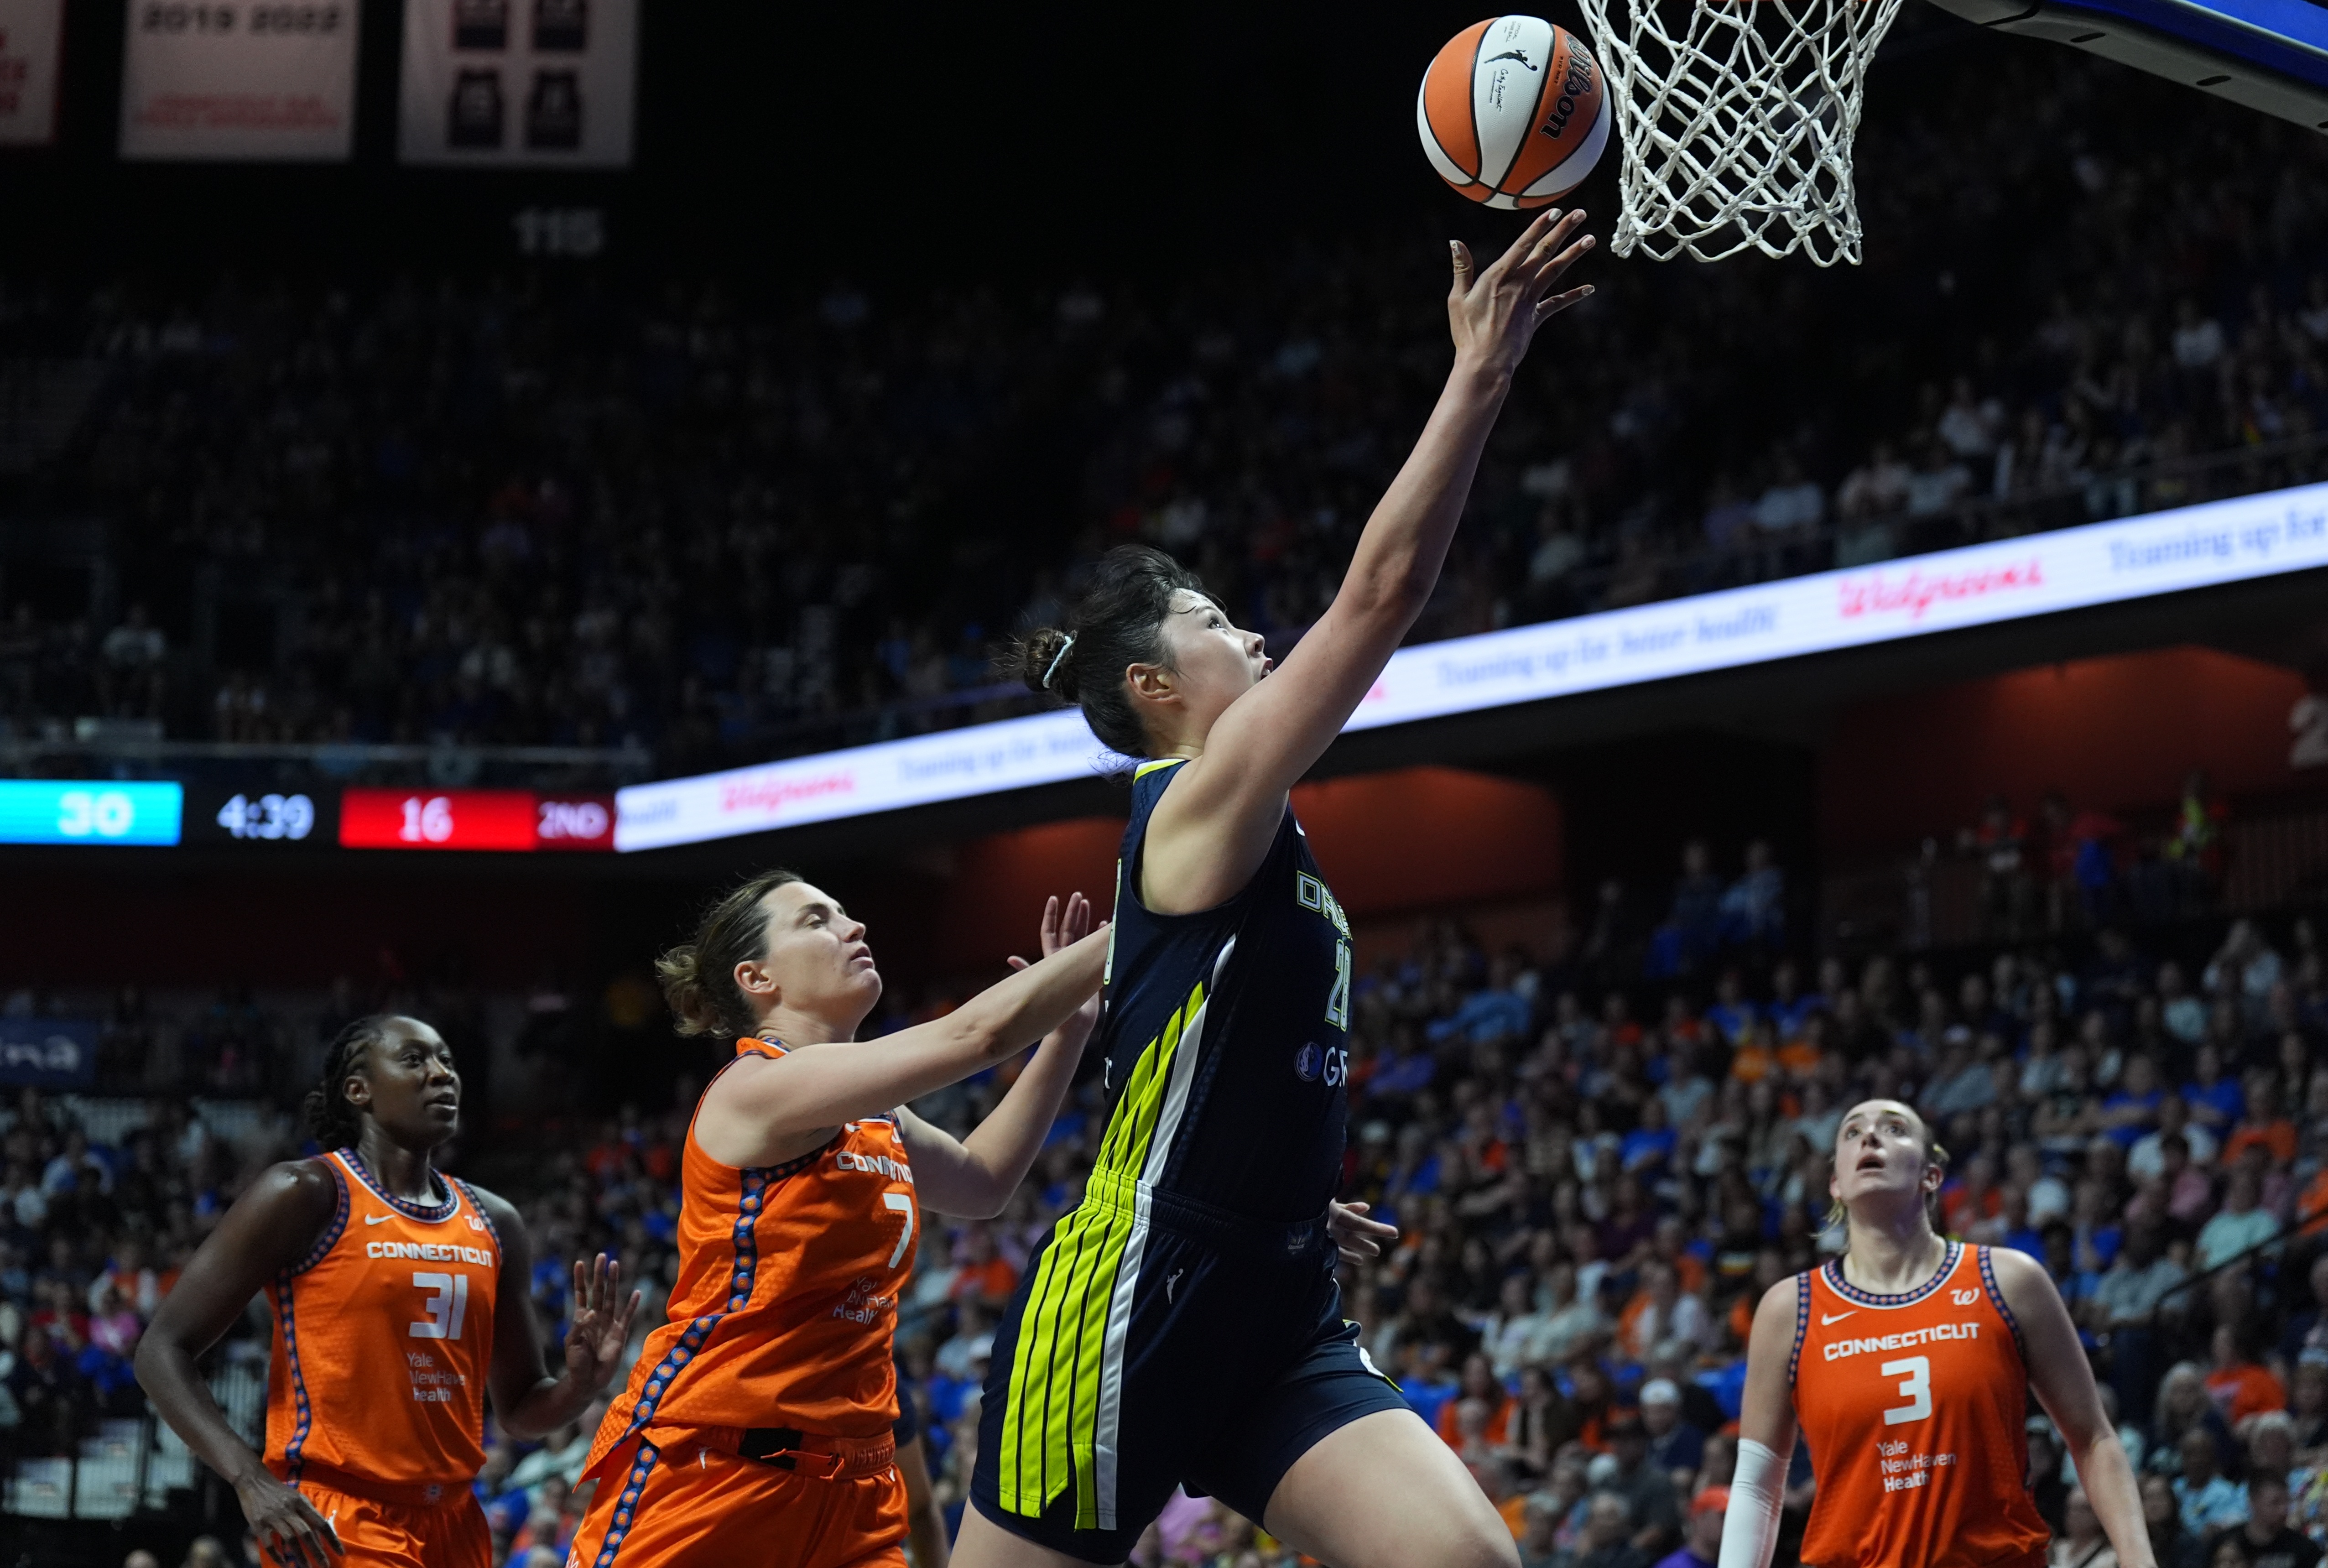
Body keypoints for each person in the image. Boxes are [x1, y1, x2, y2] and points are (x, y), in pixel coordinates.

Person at [954, 207, 1596, 1568]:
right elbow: (1383, 592)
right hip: (1138, 1287)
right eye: (1213, 623)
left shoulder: (1242, 832)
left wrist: (1275, 1189)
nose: (1251, 631)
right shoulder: (1196, 794)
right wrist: (1479, 374)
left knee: (1470, 1561)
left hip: (1278, 1280)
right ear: (1155, 688)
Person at [566, 874, 1109, 1568]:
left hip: (854, 1489)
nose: (853, 928)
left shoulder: (877, 1113)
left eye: (847, 913)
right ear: (756, 977)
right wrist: (1150, 913)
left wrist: (1067, 1033)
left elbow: (982, 1182)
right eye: (817, 920)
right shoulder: (754, 1089)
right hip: (717, 1472)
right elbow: (978, 1034)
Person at [136, 1015, 641, 1568]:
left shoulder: (496, 1220)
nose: (442, 1073)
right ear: (360, 1089)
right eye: (414, 1059)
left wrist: (579, 1385)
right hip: (338, 1515)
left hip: (456, 1520)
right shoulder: (306, 1192)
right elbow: (161, 1349)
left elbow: (520, 1409)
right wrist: (249, 1477)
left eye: (447, 1060)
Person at [1719, 1099, 2155, 1568]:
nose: (1870, 1136)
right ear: (1836, 1184)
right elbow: (1757, 1484)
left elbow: (2093, 1439)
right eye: (1853, 1132)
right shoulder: (1790, 1308)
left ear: (1931, 1175)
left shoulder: (2008, 1279)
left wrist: (2139, 1560)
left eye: (1894, 1128)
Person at [2202, 1474, 2318, 1568]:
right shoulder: (2225, 1544)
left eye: (2287, 1502)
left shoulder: (2304, 1549)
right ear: (2253, 1503)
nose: (2284, 1510)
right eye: (2275, 1503)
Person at [1655, 1488, 1728, 1568]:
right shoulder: (1673, 1566)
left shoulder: (1731, 1563)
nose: (1729, 1524)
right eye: (1723, 1516)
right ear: (1700, 1518)